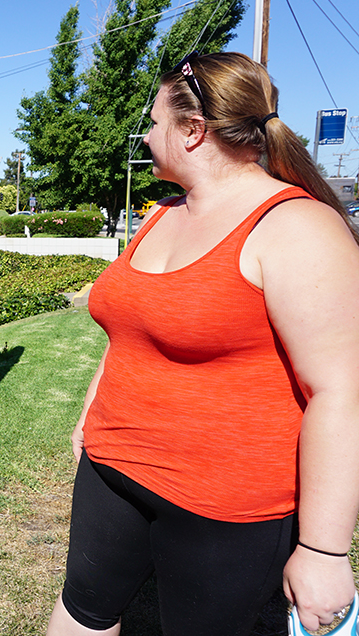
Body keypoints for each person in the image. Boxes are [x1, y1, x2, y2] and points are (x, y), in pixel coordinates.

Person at [46, 51, 359, 636]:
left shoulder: (297, 228)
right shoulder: (162, 215)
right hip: (112, 468)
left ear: (192, 132)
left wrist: (324, 550)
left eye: (156, 120)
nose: (146, 133)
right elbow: (131, 329)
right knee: (83, 610)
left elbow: (341, 392)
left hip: (225, 506)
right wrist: (92, 414)